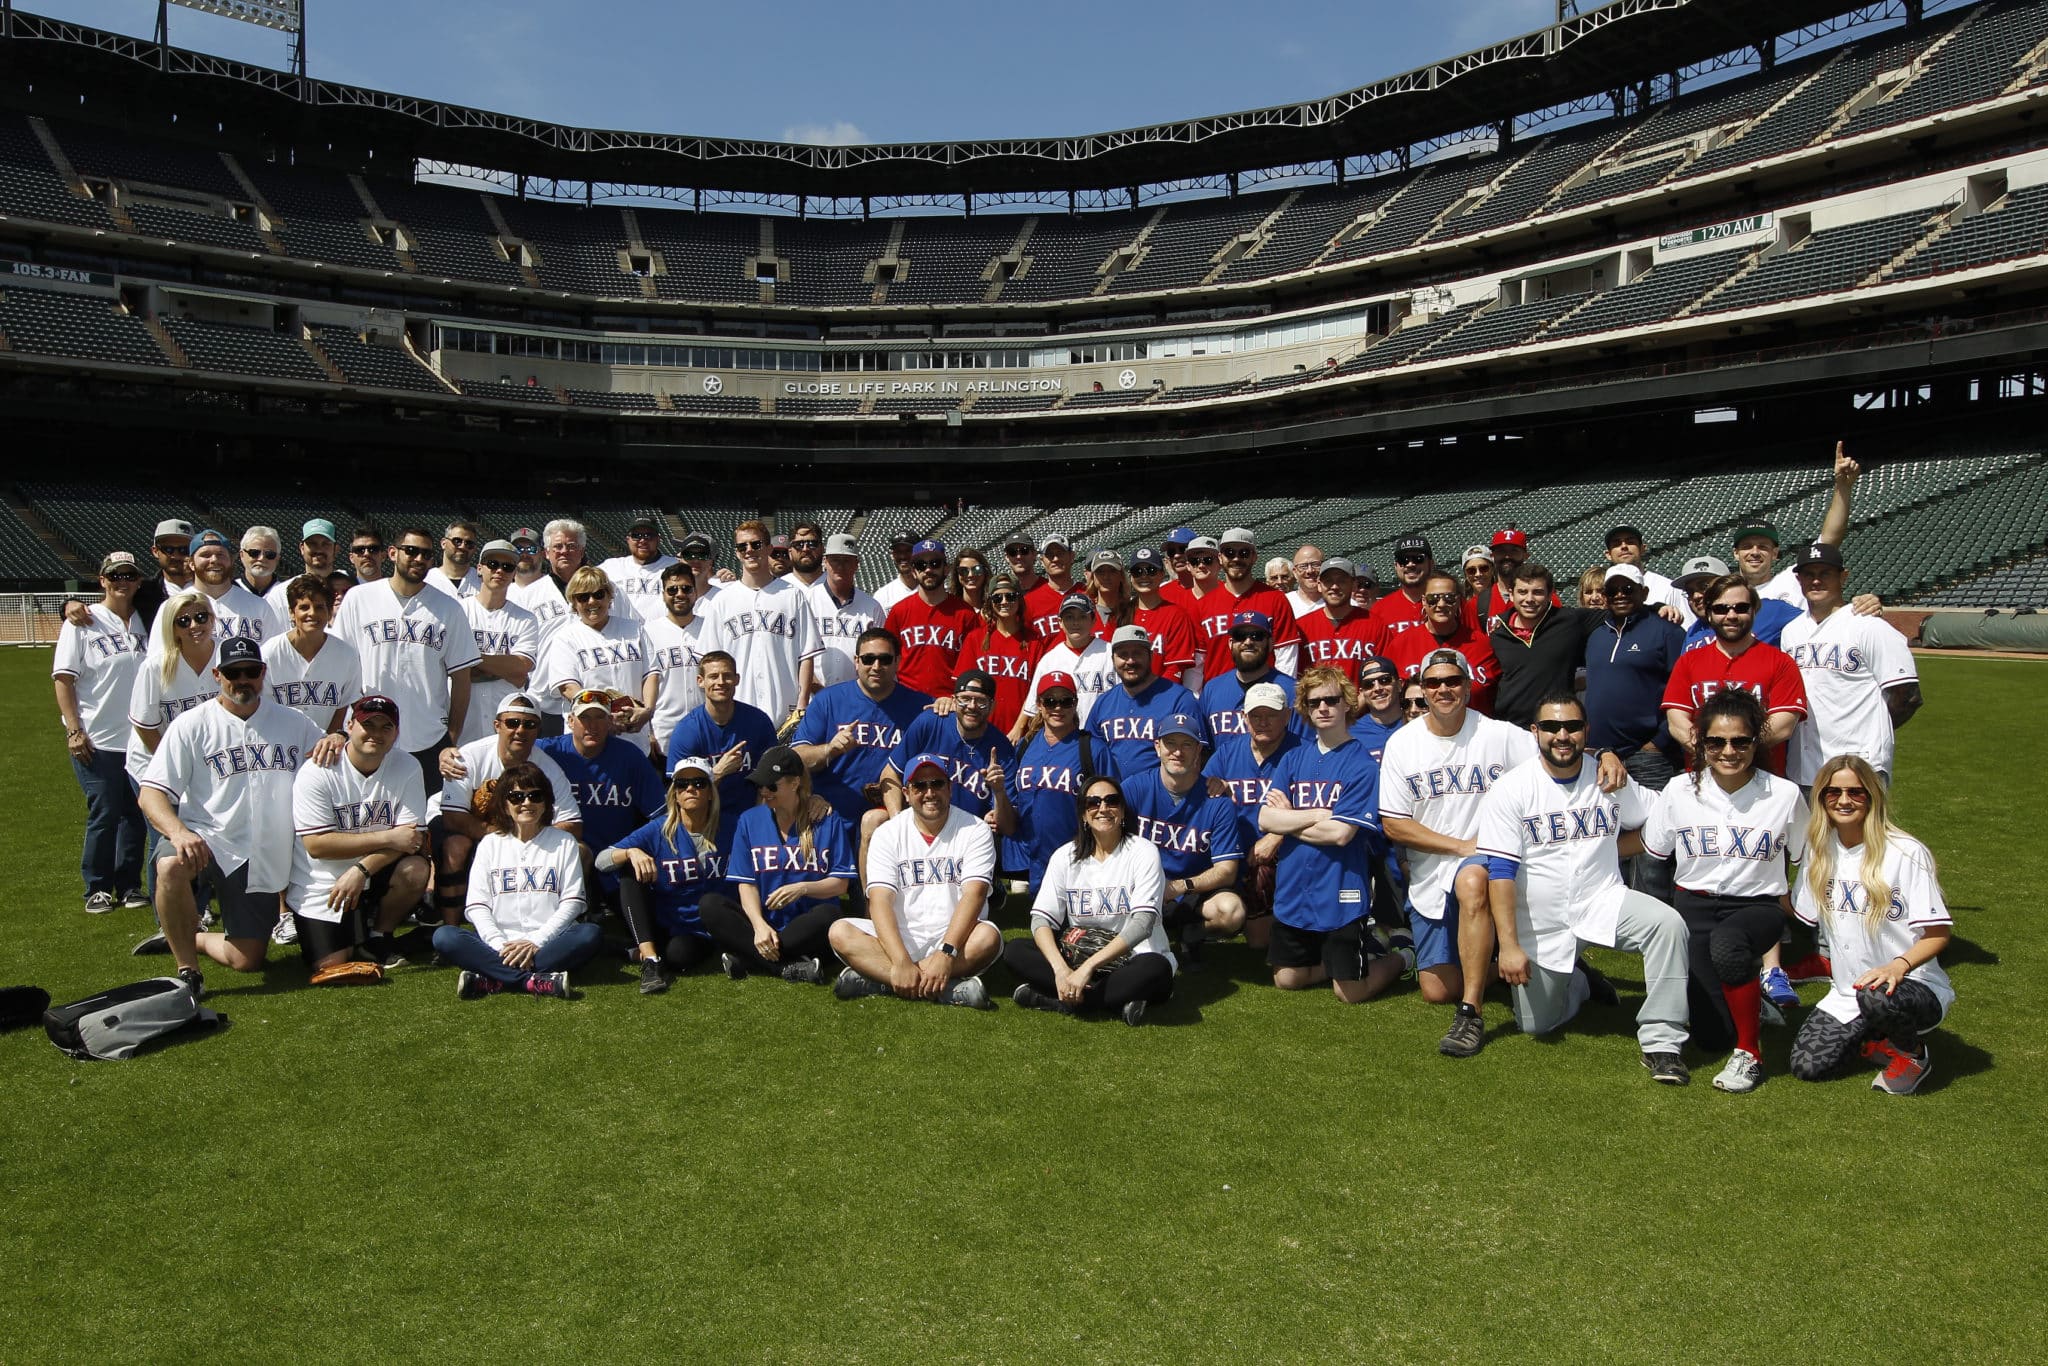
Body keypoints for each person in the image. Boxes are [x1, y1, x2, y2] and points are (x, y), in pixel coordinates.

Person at [1479, 693, 1692, 1084]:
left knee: (1667, 924)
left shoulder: (1608, 777)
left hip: (1603, 900)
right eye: (1552, 727)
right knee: (1536, 1026)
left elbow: (1665, 815)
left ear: (1586, 731)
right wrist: (1508, 947)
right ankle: (1579, 981)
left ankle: (1663, 1042)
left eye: (1573, 727)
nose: (1563, 735)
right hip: (1540, 921)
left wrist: (1622, 844)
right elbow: (1501, 873)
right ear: (1535, 732)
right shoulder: (1511, 789)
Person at [132, 637, 328, 997]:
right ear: (216, 675)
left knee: (247, 960)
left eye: (251, 672)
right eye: (233, 672)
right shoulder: (191, 724)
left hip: (261, 853)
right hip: (207, 840)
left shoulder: (294, 723)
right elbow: (151, 793)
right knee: (170, 866)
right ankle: (188, 970)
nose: (243, 680)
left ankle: (190, 936)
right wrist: (178, 833)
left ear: (263, 674)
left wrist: (340, 737)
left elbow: (334, 756)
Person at [1639, 690, 1808, 1093]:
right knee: (1711, 1037)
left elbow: (1806, 855)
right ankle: (1753, 1004)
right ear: (1701, 742)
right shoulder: (1679, 790)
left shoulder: (1783, 794)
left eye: (1740, 741)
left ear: (1756, 742)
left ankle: (1750, 1054)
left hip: (1756, 907)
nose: (1728, 751)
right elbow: (1655, 851)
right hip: (1694, 906)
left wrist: (1803, 911)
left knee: (1731, 947)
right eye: (1716, 741)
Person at [1379, 649, 1538, 1057]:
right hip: (1432, 869)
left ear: (1468, 686)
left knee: (1471, 880)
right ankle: (1508, 965)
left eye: (1453, 681)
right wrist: (1460, 845)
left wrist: (1604, 755)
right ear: (1421, 690)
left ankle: (1471, 1013)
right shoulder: (1403, 743)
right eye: (1434, 683)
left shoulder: (1500, 734)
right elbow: (1395, 824)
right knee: (1436, 990)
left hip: (1490, 864)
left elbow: (1560, 749)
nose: (1443, 689)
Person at [1788, 755, 1953, 1094]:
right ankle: (1878, 1038)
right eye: (1832, 793)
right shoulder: (1819, 851)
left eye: (1855, 792)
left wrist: (1897, 965)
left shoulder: (1906, 852)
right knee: (1808, 1066)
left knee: (1877, 997)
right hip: (1848, 991)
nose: (1844, 801)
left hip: (1911, 984)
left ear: (1872, 796)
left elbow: (1938, 933)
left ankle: (1913, 1054)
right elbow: (1798, 912)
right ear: (1820, 798)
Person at [1258, 666, 1404, 1003]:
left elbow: (1340, 833)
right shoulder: (1293, 759)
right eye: (1314, 703)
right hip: (1294, 889)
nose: (1323, 708)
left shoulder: (1362, 764)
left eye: (1331, 700)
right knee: (1287, 979)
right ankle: (1347, 960)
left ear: (1347, 704)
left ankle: (1400, 955)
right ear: (1305, 710)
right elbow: (1266, 818)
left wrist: (1290, 820)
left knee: (1349, 992)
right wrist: (1312, 815)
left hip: (1341, 891)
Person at [832, 751, 1002, 1008]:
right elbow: (879, 900)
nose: (929, 792)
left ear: (950, 788)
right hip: (898, 939)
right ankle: (945, 988)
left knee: (989, 937)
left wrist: (946, 953)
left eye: (937, 783)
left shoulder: (975, 829)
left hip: (956, 939)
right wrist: (900, 960)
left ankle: (881, 982)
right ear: (906, 793)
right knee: (840, 932)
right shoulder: (888, 833)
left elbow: (975, 894)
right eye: (919, 786)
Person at [1009, 773, 1177, 1024]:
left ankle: (1062, 1002)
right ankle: (1112, 999)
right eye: (1093, 803)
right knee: (1014, 951)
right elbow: (1040, 920)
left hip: (1133, 958)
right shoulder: (1065, 856)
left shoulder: (1143, 852)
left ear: (1122, 811)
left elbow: (1143, 924)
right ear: (1083, 814)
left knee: (1157, 968)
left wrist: (1086, 970)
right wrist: (1061, 970)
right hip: (1079, 956)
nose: (1103, 808)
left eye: (1111, 801)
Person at [287, 695, 431, 975]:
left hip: (373, 869)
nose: (376, 733)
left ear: (396, 733)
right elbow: (317, 845)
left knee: (415, 868)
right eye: (368, 725)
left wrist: (361, 870)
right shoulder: (318, 770)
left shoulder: (408, 766)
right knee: (331, 965)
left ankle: (380, 935)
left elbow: (412, 838)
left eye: (385, 727)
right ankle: (354, 930)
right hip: (323, 878)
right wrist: (388, 838)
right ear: (349, 726)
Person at [333, 525, 479, 794]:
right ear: (392, 553)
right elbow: (342, 666)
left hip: (427, 735)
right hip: (368, 732)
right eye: (410, 551)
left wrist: (452, 736)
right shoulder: (358, 598)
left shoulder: (448, 607)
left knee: (422, 825)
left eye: (425, 554)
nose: (418, 559)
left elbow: (462, 677)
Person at [438, 762, 601, 1000]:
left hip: (549, 942)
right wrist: (499, 945)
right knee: (445, 936)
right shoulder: (490, 844)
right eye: (516, 797)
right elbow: (476, 905)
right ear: (505, 804)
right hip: (499, 942)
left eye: (535, 796)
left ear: (546, 802)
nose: (526, 803)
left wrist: (535, 942)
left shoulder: (564, 842)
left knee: (589, 934)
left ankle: (492, 979)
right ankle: (533, 982)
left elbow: (573, 903)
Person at [705, 746, 855, 983]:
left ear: (795, 783)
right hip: (766, 924)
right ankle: (787, 967)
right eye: (760, 785)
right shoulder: (749, 820)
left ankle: (748, 958)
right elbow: (746, 884)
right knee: (710, 905)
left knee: (829, 915)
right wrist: (758, 925)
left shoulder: (827, 820)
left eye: (772, 785)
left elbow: (840, 885)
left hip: (808, 926)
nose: (764, 791)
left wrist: (803, 888)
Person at [1582, 562, 1686, 902]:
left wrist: (1659, 742)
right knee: (1610, 831)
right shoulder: (1597, 633)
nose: (1620, 595)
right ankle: (1619, 905)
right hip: (1602, 753)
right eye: (1613, 590)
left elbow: (1681, 690)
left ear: (1643, 592)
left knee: (1652, 839)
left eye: (1629, 589)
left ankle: (1656, 912)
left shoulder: (1666, 631)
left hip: (1647, 753)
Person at [434, 694, 584, 930]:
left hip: (524, 833)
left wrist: (526, 839)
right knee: (457, 846)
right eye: (512, 723)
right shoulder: (468, 757)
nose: (520, 730)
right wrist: (504, 837)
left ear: (538, 729)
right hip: (466, 826)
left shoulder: (548, 768)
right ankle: (450, 926)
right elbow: (453, 818)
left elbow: (573, 825)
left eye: (529, 724)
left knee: (580, 850)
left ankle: (552, 922)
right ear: (497, 725)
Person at [52, 551, 149, 913]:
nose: (122, 581)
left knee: (136, 814)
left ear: (139, 581)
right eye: (115, 575)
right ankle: (97, 886)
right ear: (102, 580)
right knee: (104, 813)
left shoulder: (146, 619)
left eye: (129, 575)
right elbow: (63, 679)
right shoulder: (83, 622)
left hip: (140, 739)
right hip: (98, 739)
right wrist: (74, 731)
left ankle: (129, 885)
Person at [1780, 541, 1921, 787]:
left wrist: (1870, 734)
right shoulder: (1790, 632)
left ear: (1843, 577)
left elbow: (1907, 696)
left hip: (1860, 765)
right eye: (1808, 574)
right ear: (1798, 579)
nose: (1816, 581)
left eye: (1825, 573)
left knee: (1860, 827)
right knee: (1810, 828)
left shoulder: (1869, 625)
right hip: (1803, 765)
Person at [790, 627, 934, 862]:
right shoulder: (829, 700)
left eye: (885, 659)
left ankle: (867, 897)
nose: (876, 666)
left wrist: (948, 704)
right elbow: (797, 758)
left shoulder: (920, 706)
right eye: (868, 659)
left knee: (875, 823)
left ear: (897, 662)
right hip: (830, 809)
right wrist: (830, 749)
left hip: (889, 812)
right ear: (856, 662)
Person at [597, 754, 732, 993]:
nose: (690, 788)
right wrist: (630, 852)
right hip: (665, 921)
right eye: (682, 784)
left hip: (705, 927)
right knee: (630, 870)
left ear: (711, 791)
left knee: (679, 955)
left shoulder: (732, 826)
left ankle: (629, 950)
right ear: (675, 794)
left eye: (699, 783)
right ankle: (650, 961)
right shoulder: (659, 828)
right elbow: (601, 861)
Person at [1661, 574, 1808, 775]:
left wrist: (1736, 753)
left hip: (1763, 781)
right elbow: (1677, 722)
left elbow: (1783, 725)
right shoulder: (1688, 661)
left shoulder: (1780, 662)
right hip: (1701, 779)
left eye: (1741, 608)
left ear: (1754, 611)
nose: (1731, 616)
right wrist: (1714, 753)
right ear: (1710, 613)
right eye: (1721, 609)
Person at [1126, 715, 1245, 958]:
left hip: (1192, 891)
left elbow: (1227, 870)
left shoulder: (1217, 801)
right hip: (1142, 887)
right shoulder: (1134, 788)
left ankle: (1189, 934)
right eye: (1170, 743)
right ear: (1157, 746)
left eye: (1187, 744)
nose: (1177, 752)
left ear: (1199, 750)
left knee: (1232, 912)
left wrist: (1180, 887)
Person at [125, 590, 224, 883]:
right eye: (183, 620)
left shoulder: (225, 658)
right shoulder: (156, 665)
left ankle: (201, 908)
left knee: (206, 835)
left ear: (212, 619)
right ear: (172, 627)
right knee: (167, 842)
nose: (194, 625)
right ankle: (167, 923)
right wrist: (172, 765)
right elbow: (144, 726)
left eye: (201, 617)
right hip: (154, 763)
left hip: (206, 767)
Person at [538, 691, 665, 920]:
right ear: (570, 721)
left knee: (645, 921)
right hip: (565, 855)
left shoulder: (629, 756)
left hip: (614, 859)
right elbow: (507, 747)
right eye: (585, 718)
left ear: (610, 722)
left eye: (600, 718)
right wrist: (451, 752)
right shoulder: (549, 751)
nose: (592, 726)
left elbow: (660, 814)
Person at [694, 518, 821, 728]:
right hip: (736, 710)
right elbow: (708, 662)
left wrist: (801, 705)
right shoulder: (722, 601)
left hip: (785, 710)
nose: (749, 550)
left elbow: (806, 656)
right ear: (736, 552)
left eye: (756, 544)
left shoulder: (793, 596)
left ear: (768, 548)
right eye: (742, 546)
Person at [1203, 681, 1300, 949]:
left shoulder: (1302, 753)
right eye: (1256, 715)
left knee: (1259, 942)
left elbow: (1319, 812)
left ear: (1287, 715)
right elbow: (1199, 798)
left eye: (1271, 714)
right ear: (1244, 718)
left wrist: (1277, 835)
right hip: (1234, 856)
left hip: (1281, 860)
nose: (1263, 722)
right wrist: (1214, 788)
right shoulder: (1227, 753)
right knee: (1244, 929)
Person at [1010, 671, 1117, 899]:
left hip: (1079, 853)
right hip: (1035, 853)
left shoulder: (1091, 748)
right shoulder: (1026, 746)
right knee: (1043, 922)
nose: (1058, 707)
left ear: (1075, 704)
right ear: (1039, 705)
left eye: (1065, 701)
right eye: (1050, 701)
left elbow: (1115, 801)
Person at [1731, 442, 1867, 609]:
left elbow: (1830, 539)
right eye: (1747, 546)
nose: (1755, 552)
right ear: (1736, 553)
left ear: (1775, 553)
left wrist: (1843, 486)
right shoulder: (1725, 596)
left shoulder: (1793, 580)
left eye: (1763, 546)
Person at [667, 650, 780, 849]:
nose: (721, 682)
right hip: (706, 821)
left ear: (737, 679)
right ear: (700, 681)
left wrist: (758, 822)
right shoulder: (687, 731)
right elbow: (679, 795)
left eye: (727, 676)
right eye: (713, 676)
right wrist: (716, 772)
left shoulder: (757, 722)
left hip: (750, 814)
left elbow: (771, 781)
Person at [880, 669, 1016, 833]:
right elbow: (890, 773)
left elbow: (1008, 827)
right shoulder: (930, 723)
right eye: (965, 699)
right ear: (953, 700)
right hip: (921, 826)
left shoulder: (1002, 749)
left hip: (970, 836)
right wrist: (898, 822)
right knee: (873, 821)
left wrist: (999, 793)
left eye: (981, 701)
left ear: (992, 706)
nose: (972, 707)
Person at [537, 566, 657, 751]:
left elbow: (651, 675)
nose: (592, 601)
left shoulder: (634, 629)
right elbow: (568, 687)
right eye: (583, 597)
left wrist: (647, 711)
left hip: (634, 734)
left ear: (610, 597)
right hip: (587, 739)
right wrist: (603, 717)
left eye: (599, 594)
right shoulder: (565, 638)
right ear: (573, 603)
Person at [1488, 562, 1621, 727]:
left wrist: (1660, 608)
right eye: (1522, 592)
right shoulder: (1498, 634)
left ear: (1550, 594)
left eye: (1537, 592)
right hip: (1510, 728)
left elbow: (1622, 611)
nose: (1529, 599)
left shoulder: (1570, 620)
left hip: (1556, 726)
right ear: (1511, 594)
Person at [1088, 625, 1205, 780]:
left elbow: (1199, 756)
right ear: (1113, 659)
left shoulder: (1180, 699)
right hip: (1113, 799)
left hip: (1161, 798)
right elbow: (1089, 753)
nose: (1130, 661)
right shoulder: (1103, 703)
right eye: (1123, 655)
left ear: (1151, 656)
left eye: (1137, 653)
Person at [458, 540, 539, 746]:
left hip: (508, 725)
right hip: (464, 721)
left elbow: (521, 668)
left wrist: (470, 659)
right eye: (493, 564)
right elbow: (449, 666)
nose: (499, 571)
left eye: (508, 566)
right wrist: (504, 670)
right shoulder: (457, 611)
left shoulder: (525, 618)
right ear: (479, 568)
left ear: (514, 574)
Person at [1385, 570, 1501, 715]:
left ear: (1458, 601)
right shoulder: (1401, 644)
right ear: (1423, 601)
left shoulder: (1481, 643)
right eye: (1433, 598)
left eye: (1449, 598)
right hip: (1420, 731)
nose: (1441, 604)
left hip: (1474, 730)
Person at [260, 574, 361, 733]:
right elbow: (263, 709)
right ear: (292, 613)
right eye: (304, 607)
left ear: (329, 612)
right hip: (278, 744)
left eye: (320, 607)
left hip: (324, 749)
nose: (312, 613)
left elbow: (342, 708)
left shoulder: (346, 655)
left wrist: (326, 743)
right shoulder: (269, 653)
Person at [884, 536, 975, 702]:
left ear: (946, 569)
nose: (928, 570)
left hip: (951, 703)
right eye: (921, 565)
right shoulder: (899, 611)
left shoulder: (965, 614)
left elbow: (972, 665)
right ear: (913, 571)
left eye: (935, 563)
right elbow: (887, 657)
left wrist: (956, 697)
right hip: (906, 700)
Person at [160, 528, 283, 647]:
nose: (214, 560)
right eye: (205, 555)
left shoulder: (259, 606)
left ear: (231, 560)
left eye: (220, 554)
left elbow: (274, 659)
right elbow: (158, 659)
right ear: (191, 563)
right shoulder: (172, 607)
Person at [1207, 527, 1302, 681]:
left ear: (1254, 557)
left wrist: (1281, 692)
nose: (1236, 558)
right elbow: (1198, 664)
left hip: (1265, 695)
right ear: (1220, 557)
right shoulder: (1205, 603)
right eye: (1229, 552)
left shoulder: (1275, 599)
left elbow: (1286, 654)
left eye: (1244, 553)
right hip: (1218, 695)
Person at [1020, 592, 1116, 731]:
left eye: (1082, 617)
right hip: (1065, 739)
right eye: (1069, 617)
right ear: (1060, 622)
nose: (1075, 623)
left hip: (1105, 734)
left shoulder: (1110, 653)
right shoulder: (1049, 660)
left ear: (1094, 620)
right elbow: (1034, 710)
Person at [960, 571, 1038, 736]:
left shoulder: (1034, 642)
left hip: (1020, 734)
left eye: (1010, 596)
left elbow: (1035, 692)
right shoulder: (975, 639)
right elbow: (964, 691)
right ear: (990, 602)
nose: (1004, 602)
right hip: (981, 731)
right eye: (997, 598)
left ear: (1019, 600)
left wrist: (1019, 728)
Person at [1201, 610, 1299, 741]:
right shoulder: (1212, 689)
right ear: (1230, 643)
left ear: (1270, 644)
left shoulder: (1292, 691)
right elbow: (1203, 748)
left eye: (1256, 636)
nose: (1248, 642)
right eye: (1240, 635)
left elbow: (1301, 750)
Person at [643, 561, 706, 764]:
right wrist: (647, 732)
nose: (679, 594)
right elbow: (641, 685)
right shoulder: (647, 633)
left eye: (686, 589)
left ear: (695, 592)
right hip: (662, 734)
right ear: (663, 594)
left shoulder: (710, 627)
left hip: (706, 731)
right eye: (672, 589)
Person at [804, 533, 884, 689]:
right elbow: (796, 652)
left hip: (857, 696)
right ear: (825, 562)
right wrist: (814, 687)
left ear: (857, 564)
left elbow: (879, 654)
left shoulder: (872, 607)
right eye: (835, 560)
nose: (840, 566)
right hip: (813, 696)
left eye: (846, 561)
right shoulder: (806, 600)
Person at [1673, 555, 1798, 646]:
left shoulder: (1768, 610)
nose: (1695, 596)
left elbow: (1812, 622)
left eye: (1704, 587)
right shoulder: (1692, 632)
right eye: (1689, 591)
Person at [1295, 556, 1378, 685]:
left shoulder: (1375, 624)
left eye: (1341, 581)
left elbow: (1383, 674)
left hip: (1363, 703)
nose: (1334, 586)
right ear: (1319, 585)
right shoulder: (1301, 626)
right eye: (1328, 581)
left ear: (1354, 584)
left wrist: (1357, 704)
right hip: (1316, 704)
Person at [1125, 547, 1200, 689]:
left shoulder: (1176, 615)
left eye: (1151, 571)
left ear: (1161, 574)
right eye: (1138, 572)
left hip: (1163, 695)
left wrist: (1156, 696)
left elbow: (1176, 668)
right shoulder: (1123, 614)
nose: (1144, 576)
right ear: (1131, 577)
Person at [596, 514, 677, 619]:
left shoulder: (675, 566)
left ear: (658, 539)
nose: (643, 540)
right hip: (620, 633)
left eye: (649, 535)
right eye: (636, 536)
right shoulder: (610, 567)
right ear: (628, 539)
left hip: (661, 633)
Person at [1367, 534, 1437, 645]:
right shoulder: (1379, 610)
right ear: (1396, 566)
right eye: (1403, 560)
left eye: (1418, 559)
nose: (1410, 564)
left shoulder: (1449, 604)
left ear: (1431, 564)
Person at [424, 519, 482, 602]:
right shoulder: (426, 579)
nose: (462, 547)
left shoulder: (483, 582)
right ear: (443, 543)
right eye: (457, 541)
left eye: (469, 543)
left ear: (474, 548)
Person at [237, 526, 285, 612]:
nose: (261, 558)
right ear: (242, 555)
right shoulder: (228, 590)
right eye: (254, 553)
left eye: (269, 554)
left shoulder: (287, 593)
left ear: (277, 558)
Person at [872, 530, 920, 614]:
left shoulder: (933, 591)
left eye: (908, 551)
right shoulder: (882, 596)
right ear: (893, 555)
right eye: (898, 552)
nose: (903, 556)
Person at [778, 522, 826, 589]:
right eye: (798, 544)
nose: (805, 549)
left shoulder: (836, 584)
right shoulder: (779, 587)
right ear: (790, 551)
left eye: (812, 544)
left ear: (822, 548)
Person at [1287, 545, 1325, 619]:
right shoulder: (1285, 602)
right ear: (1295, 572)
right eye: (1303, 566)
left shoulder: (1339, 602)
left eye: (1315, 564)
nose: (1310, 570)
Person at [951, 547, 992, 613]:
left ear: (985, 572)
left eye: (977, 569)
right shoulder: (950, 609)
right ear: (957, 574)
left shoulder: (996, 608)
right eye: (963, 570)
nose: (970, 575)